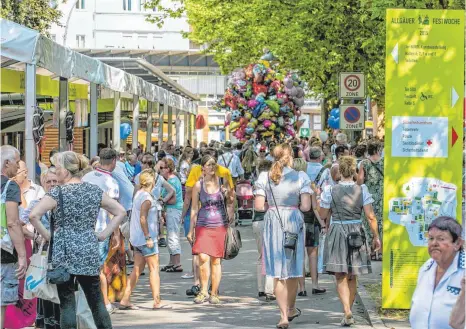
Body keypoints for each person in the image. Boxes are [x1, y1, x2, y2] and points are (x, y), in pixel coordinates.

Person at [29, 151, 126, 329]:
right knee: (96, 302)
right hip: (88, 249)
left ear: (66, 171)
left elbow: (34, 215)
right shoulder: (93, 191)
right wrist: (103, 234)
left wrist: (50, 236)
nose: (55, 172)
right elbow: (121, 211)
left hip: (64, 252)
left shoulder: (57, 193)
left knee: (67, 303)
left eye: (57, 168)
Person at [254, 144, 311, 329]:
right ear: (291, 157)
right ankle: (292, 307)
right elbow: (306, 207)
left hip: (273, 222)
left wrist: (271, 206)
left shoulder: (265, 176)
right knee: (293, 269)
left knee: (277, 272)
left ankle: (283, 315)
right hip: (293, 221)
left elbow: (258, 206)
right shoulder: (300, 176)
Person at [319, 156, 381, 326]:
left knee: (340, 274)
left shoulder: (329, 191)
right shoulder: (362, 190)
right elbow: (370, 216)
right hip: (356, 231)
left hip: (337, 230)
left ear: (339, 172)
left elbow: (323, 215)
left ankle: (346, 310)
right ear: (354, 171)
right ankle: (349, 311)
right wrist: (376, 236)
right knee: (353, 275)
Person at [181, 148, 234, 296]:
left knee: (216, 260)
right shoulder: (198, 185)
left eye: (214, 164)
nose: (212, 167)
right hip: (203, 224)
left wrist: (228, 194)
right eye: (209, 165)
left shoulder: (222, 181)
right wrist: (191, 230)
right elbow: (194, 209)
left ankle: (214, 292)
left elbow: (231, 202)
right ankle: (203, 290)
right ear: (202, 167)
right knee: (203, 257)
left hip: (219, 224)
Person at [82, 148, 121, 314]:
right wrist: (116, 234)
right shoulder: (111, 183)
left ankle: (93, 303)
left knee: (88, 268)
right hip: (101, 230)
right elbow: (114, 211)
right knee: (98, 269)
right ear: (113, 161)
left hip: (83, 229)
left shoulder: (86, 177)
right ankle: (103, 304)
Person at [21, 168, 61, 329]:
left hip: (60, 251)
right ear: (43, 184)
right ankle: (46, 321)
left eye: (54, 181)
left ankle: (59, 321)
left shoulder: (63, 202)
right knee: (43, 285)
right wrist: (36, 237)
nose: (52, 185)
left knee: (59, 285)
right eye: (48, 182)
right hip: (43, 250)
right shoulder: (36, 203)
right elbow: (20, 225)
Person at [120, 169, 163, 310]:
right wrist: (148, 237)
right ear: (153, 182)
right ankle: (157, 300)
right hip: (146, 239)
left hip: (137, 238)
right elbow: (143, 218)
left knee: (137, 269)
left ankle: (125, 298)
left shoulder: (139, 194)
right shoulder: (147, 199)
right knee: (154, 269)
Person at [410, 217, 464, 329]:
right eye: (430, 238)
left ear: (457, 243)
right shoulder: (426, 268)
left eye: (441, 239)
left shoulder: (463, 271)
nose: (434, 243)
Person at [1, 145, 27, 328]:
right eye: (16, 162)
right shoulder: (10, 186)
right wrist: (23, 255)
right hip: (3, 253)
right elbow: (12, 222)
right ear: (6, 162)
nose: (18, 168)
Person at [252, 160, 275, 301]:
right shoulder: (272, 183)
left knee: (261, 256)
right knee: (271, 255)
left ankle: (260, 288)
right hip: (268, 219)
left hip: (257, 221)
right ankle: (269, 289)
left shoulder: (257, 183)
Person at [357, 140, 384, 261]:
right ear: (379, 149)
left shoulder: (364, 163)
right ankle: (382, 250)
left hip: (369, 196)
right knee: (381, 224)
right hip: (383, 196)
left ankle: (372, 252)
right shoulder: (385, 162)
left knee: (369, 222)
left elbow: (360, 181)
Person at [160, 158, 184, 273]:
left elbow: (173, 200)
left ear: (168, 169)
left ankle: (177, 263)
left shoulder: (172, 181)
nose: (160, 170)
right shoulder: (171, 179)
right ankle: (172, 262)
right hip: (173, 210)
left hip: (174, 210)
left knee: (173, 236)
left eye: (162, 168)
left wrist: (161, 201)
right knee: (170, 235)